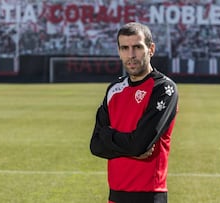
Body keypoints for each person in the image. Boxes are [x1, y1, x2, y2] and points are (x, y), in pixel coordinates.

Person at [89, 22, 179, 203]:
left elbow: (141, 144)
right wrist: (130, 145)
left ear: (151, 49)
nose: (131, 55)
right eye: (125, 48)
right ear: (119, 51)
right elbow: (96, 145)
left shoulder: (163, 88)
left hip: (149, 195)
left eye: (137, 47)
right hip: (115, 195)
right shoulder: (114, 89)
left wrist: (109, 137)